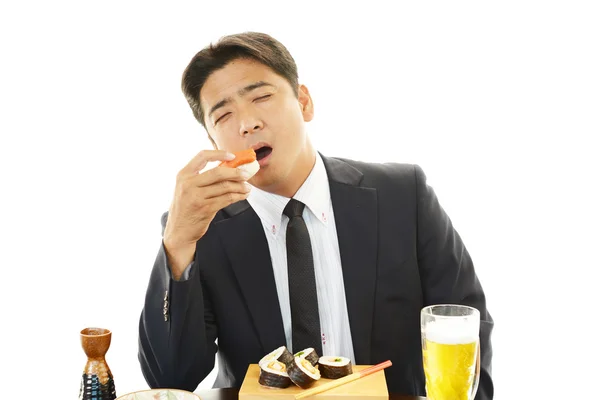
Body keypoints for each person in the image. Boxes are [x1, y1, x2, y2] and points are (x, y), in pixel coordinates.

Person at [138, 31, 494, 399]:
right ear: (213, 143)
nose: (247, 123)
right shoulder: (203, 227)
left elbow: (466, 321)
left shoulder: (404, 194)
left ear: (304, 102)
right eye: (224, 115)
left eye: (261, 97)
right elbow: (170, 378)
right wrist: (177, 244)